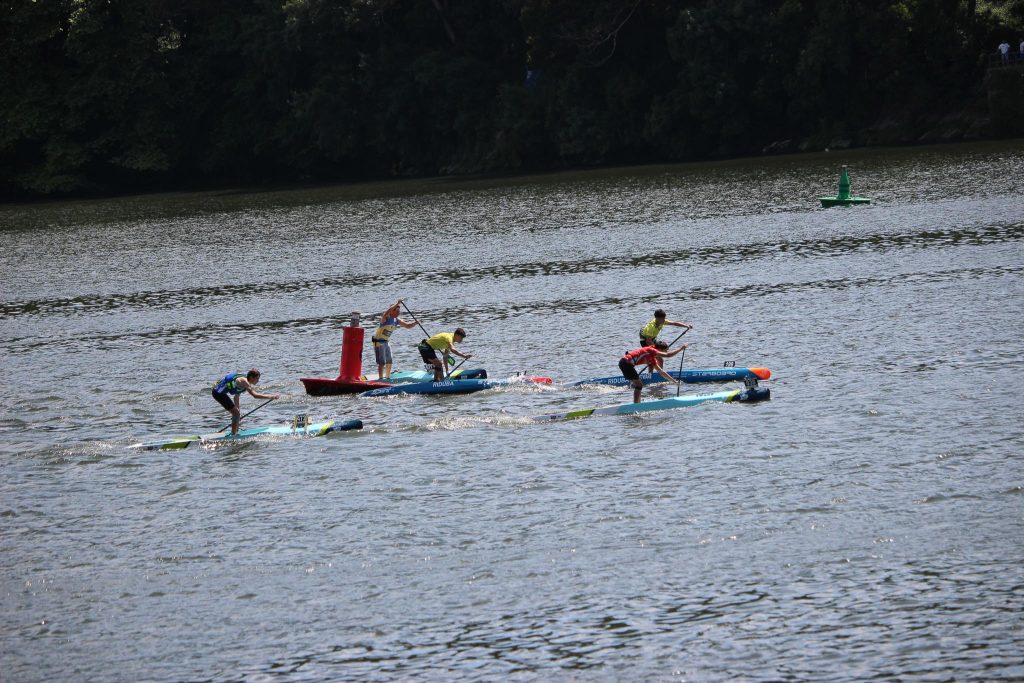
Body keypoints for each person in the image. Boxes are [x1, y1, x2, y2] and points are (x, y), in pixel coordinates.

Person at [211, 368, 280, 434]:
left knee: (236, 414)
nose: (258, 381)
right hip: (218, 394)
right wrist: (271, 396)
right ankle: (233, 435)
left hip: (220, 393)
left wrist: (238, 411)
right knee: (236, 414)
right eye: (257, 378)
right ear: (251, 377)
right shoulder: (244, 381)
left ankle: (235, 432)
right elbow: (255, 395)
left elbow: (236, 397)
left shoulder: (243, 384)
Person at [619, 341, 688, 403]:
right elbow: (668, 355)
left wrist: (674, 381)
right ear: (659, 349)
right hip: (626, 363)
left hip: (625, 363)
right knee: (639, 385)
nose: (665, 352)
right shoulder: (651, 350)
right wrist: (681, 348)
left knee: (639, 385)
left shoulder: (652, 358)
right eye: (665, 350)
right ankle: (636, 405)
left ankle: (637, 403)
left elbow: (661, 372)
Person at [372, 298, 417, 380]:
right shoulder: (386, 317)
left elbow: (407, 326)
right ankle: (381, 379)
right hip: (378, 342)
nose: (398, 313)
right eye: (397, 311)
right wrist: (397, 303)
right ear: (392, 311)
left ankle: (387, 378)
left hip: (386, 342)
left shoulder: (396, 320)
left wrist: (415, 323)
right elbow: (387, 311)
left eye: (399, 311)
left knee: (389, 361)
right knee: (382, 362)